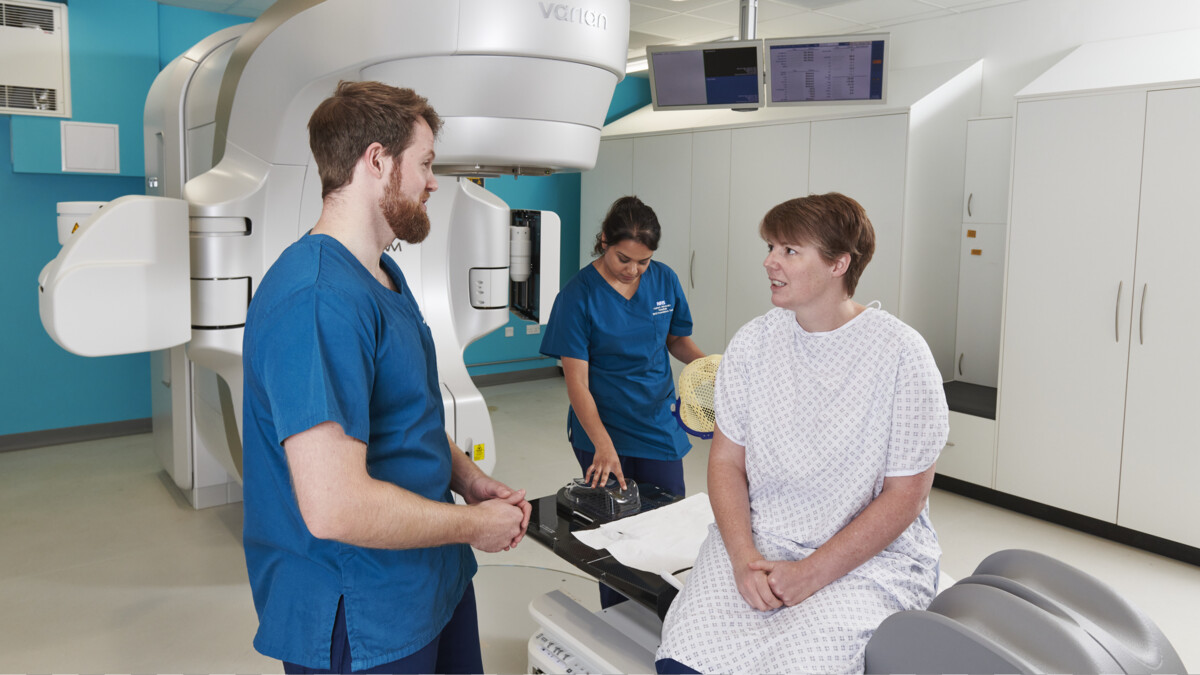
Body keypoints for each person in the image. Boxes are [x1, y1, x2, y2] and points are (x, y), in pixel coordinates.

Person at [241, 81, 531, 675]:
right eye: (425, 164)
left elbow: (406, 412)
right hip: (364, 612)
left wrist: (469, 478)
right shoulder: (317, 300)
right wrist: (475, 525)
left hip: (432, 580)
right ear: (377, 160)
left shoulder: (383, 274)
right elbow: (335, 508)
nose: (432, 182)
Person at [655, 193, 949, 674]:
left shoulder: (900, 354)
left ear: (839, 264)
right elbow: (726, 464)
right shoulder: (753, 344)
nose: (770, 261)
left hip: (867, 561)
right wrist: (744, 558)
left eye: (789, 250)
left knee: (801, 662)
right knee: (684, 658)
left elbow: (906, 497)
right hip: (762, 540)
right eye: (771, 247)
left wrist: (811, 574)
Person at [539, 196, 704, 606]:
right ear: (603, 241)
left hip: (657, 421)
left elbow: (677, 340)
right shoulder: (578, 296)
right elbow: (577, 382)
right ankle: (617, 616)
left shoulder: (663, 280)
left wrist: (712, 368)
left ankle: (671, 614)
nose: (633, 270)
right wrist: (603, 444)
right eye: (623, 258)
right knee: (614, 528)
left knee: (668, 524)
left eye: (643, 261)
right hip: (601, 428)